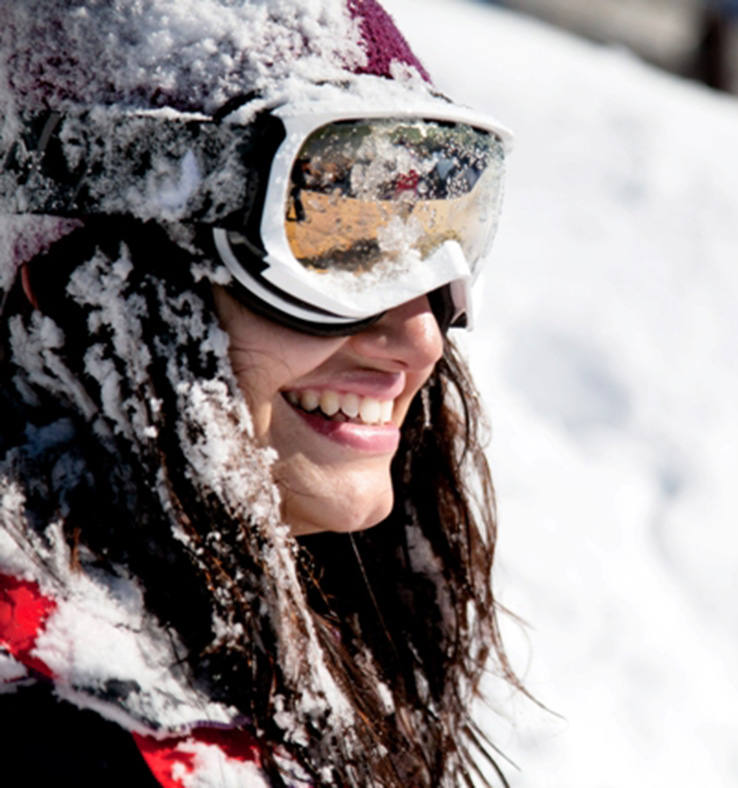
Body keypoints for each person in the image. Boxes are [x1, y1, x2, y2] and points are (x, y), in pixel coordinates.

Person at [0, 1, 515, 786]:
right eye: (335, 247)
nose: (422, 338)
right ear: (77, 287)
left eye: (440, 229)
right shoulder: (59, 741)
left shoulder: (229, 696)